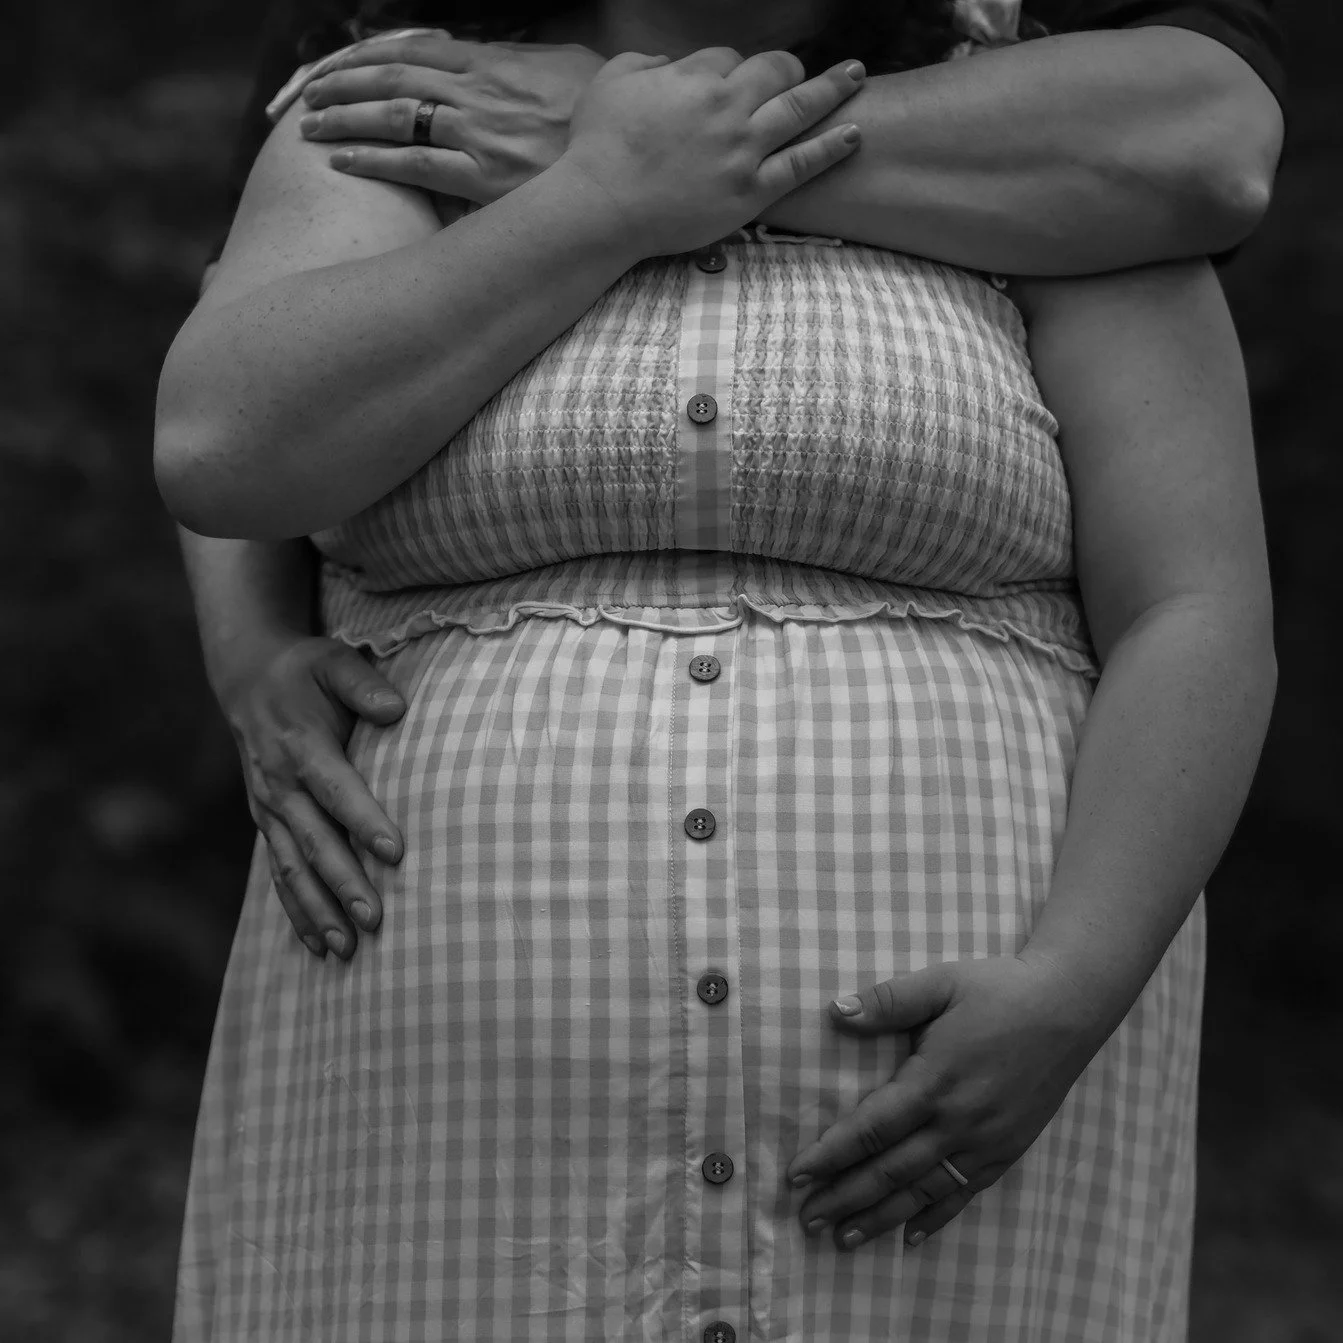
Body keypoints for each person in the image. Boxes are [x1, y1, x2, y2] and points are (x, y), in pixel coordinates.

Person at [158, 1, 1282, 1338]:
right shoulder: (414, 97)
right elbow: (226, 438)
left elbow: (1194, 605)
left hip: (967, 1097)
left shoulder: (1039, 148)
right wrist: (607, 195)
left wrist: (1075, 981)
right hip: (440, 1105)